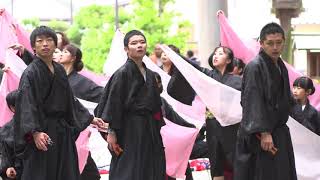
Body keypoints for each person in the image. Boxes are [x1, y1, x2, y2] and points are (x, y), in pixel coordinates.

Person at [13, 26, 104, 180]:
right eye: (40, 41)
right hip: (43, 131)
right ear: (34, 47)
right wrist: (35, 132)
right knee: (42, 173)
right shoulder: (31, 72)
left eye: (49, 40)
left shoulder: (59, 70)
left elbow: (69, 99)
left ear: (56, 45)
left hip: (62, 131)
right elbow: (27, 105)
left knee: (65, 172)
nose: (45, 44)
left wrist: (90, 118)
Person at [94, 30, 166, 180]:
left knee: (151, 166)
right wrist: (112, 133)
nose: (139, 45)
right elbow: (114, 103)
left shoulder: (151, 75)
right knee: (130, 167)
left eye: (142, 42)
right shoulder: (122, 73)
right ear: (126, 49)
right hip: (129, 128)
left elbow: (156, 105)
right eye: (134, 43)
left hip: (149, 127)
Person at [167, 45, 242, 180]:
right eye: (215, 53)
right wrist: (176, 56)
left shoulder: (238, 81)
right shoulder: (207, 75)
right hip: (212, 127)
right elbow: (192, 68)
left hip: (232, 129)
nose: (216, 56)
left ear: (229, 60)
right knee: (216, 165)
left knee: (237, 164)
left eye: (220, 53)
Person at [234, 22, 297, 180]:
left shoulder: (280, 65)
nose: (275, 47)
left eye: (278, 43)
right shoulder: (255, 66)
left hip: (278, 130)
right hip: (261, 134)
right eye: (270, 43)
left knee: (281, 173)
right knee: (264, 174)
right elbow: (252, 100)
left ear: (284, 41)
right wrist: (264, 132)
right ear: (261, 43)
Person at [59, 44, 104, 180]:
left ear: (73, 58)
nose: (61, 53)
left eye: (65, 51)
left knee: (87, 171)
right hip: (59, 131)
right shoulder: (56, 78)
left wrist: (90, 118)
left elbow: (103, 95)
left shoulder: (81, 82)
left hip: (76, 133)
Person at [0, 90, 21, 180]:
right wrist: (8, 169)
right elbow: (6, 156)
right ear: (12, 108)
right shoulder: (6, 130)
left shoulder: (41, 125)